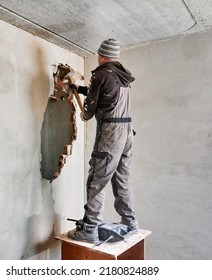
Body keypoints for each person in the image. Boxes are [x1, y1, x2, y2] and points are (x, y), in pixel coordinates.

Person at [68, 38, 139, 244]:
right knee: (121, 180)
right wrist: (79, 89)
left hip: (111, 134)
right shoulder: (122, 75)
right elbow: (105, 95)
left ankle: (89, 230)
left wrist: (84, 113)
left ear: (101, 56)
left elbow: (89, 110)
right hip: (126, 133)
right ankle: (131, 223)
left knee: (96, 182)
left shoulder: (100, 74)